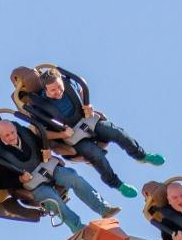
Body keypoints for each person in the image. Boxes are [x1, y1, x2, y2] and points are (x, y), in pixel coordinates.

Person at [11, 64, 161, 198]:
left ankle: (141, 155)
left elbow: (82, 88)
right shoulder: (38, 106)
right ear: (45, 89)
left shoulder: (69, 85)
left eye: (59, 87)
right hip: (72, 137)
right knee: (95, 154)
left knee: (117, 133)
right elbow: (41, 133)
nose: (58, 92)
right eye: (53, 90)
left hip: (88, 121)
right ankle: (117, 184)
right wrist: (62, 134)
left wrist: (87, 105)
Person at [0, 110, 116, 227]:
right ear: (0, 137)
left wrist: (45, 150)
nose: (11, 137)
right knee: (53, 199)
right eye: (6, 135)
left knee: (73, 177)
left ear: (15, 129)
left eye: (12, 132)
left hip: (46, 168)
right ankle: (78, 227)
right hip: (31, 183)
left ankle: (103, 208)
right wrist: (18, 179)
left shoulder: (24, 133)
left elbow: (40, 142)